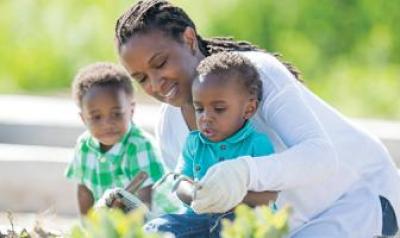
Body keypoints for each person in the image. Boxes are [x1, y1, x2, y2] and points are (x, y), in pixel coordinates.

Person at [114, 0, 400, 236]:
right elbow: (197, 204)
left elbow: (321, 156)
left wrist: (244, 173)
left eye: (161, 63)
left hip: (361, 200)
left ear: (189, 39)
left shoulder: (255, 75)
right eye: (141, 78)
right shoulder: (170, 125)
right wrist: (137, 216)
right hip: (287, 226)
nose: (156, 84)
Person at [145, 52, 276, 237]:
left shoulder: (257, 143)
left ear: (249, 108)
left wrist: (228, 198)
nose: (206, 117)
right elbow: (181, 181)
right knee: (155, 228)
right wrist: (195, 195)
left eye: (219, 109)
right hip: (199, 217)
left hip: (241, 219)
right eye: (199, 109)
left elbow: (269, 195)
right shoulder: (194, 142)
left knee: (228, 227)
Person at [65, 62, 166, 215]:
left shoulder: (139, 145)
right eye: (96, 117)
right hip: (112, 219)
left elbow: (146, 200)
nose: (107, 124)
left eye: (117, 114)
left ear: (131, 110)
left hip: (154, 220)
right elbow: (84, 191)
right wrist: (90, 229)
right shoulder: (84, 146)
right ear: (83, 119)